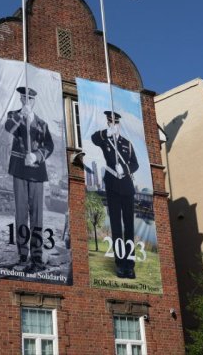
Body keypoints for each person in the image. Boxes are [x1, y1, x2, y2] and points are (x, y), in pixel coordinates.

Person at [4, 86, 54, 272]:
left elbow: (49, 145)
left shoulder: (42, 124)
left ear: (34, 101)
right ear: (20, 99)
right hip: (19, 170)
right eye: (23, 98)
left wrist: (37, 155)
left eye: (30, 99)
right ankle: (23, 255)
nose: (26, 101)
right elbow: (9, 128)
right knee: (21, 215)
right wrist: (21, 116)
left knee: (37, 217)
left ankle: (37, 257)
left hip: (37, 173)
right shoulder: (13, 115)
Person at [91, 110, 139, 279]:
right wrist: (106, 133)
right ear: (108, 123)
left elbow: (135, 164)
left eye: (115, 123)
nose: (113, 125)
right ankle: (120, 264)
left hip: (127, 187)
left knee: (129, 227)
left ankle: (130, 265)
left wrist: (124, 169)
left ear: (119, 124)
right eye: (110, 122)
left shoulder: (127, 143)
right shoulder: (105, 141)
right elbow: (94, 139)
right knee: (116, 227)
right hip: (112, 186)